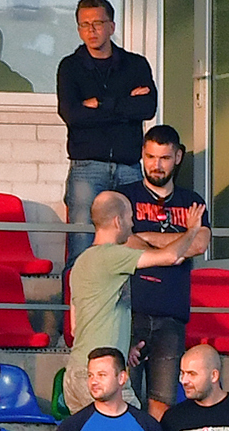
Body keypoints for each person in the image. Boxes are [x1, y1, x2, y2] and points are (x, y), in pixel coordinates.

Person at [55, 0, 155, 267]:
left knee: (129, 246)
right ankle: (76, 309)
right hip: (87, 168)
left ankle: (125, 308)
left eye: (98, 23)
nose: (91, 30)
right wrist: (125, 104)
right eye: (84, 25)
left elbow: (147, 107)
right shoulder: (70, 67)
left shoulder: (135, 65)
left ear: (111, 26)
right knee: (81, 245)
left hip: (129, 167)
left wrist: (100, 104)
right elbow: (72, 115)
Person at [62, 191, 195, 369]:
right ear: (118, 221)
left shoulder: (81, 262)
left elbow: (74, 327)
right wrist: (192, 230)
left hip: (78, 370)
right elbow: (171, 256)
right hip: (102, 374)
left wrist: (125, 349)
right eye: (130, 218)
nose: (132, 224)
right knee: (126, 399)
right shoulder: (113, 256)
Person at [125, 129, 210, 407]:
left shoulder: (192, 201)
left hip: (172, 315)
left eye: (164, 158)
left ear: (178, 157)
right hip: (130, 311)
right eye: (150, 156)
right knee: (127, 397)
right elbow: (123, 241)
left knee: (163, 401)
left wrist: (147, 238)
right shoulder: (124, 197)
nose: (156, 165)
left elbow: (199, 244)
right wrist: (178, 243)